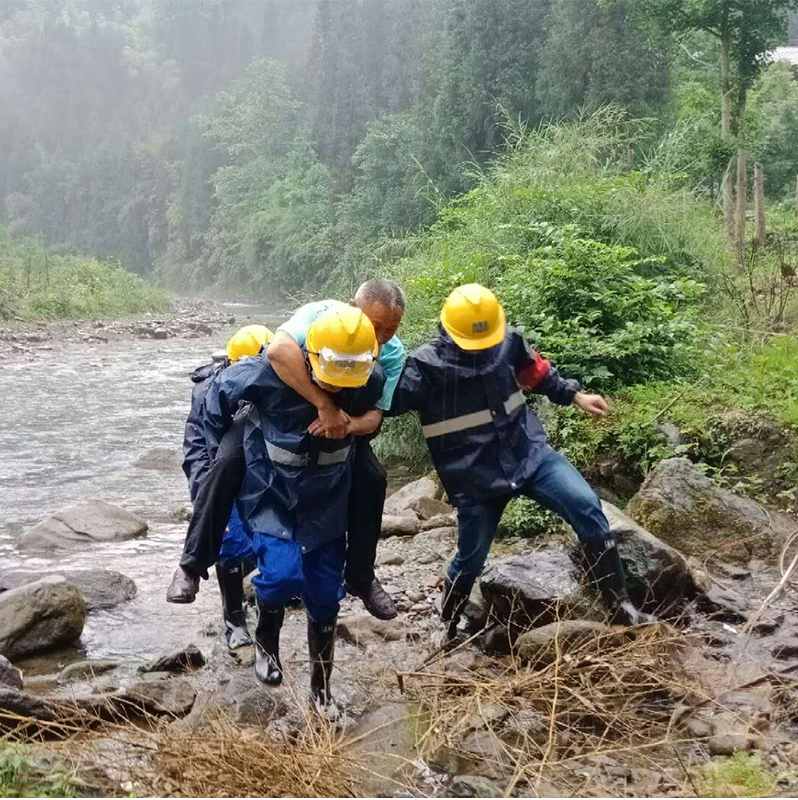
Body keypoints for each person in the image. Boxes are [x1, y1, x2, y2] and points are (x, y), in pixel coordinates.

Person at [388, 284, 652, 641]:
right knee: (470, 559)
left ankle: (621, 607)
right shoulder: (425, 366)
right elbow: (386, 403)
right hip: (475, 478)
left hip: (528, 454)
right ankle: (447, 624)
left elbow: (537, 373)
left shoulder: (507, 341)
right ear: (450, 329)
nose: (483, 348)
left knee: (586, 506)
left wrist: (575, 395)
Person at [166, 278, 406, 621]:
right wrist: (323, 404)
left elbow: (375, 416)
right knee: (226, 463)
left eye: (390, 329)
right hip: (286, 388)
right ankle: (191, 565)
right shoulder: (318, 315)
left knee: (372, 478)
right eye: (375, 326)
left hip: (343, 416)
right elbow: (279, 352)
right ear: (353, 309)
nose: (381, 337)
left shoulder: (392, 354)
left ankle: (361, 577)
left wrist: (346, 424)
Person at [202, 305, 384, 715]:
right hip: (274, 497)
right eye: (329, 381)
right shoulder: (264, 374)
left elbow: (380, 414)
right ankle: (266, 640)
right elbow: (213, 397)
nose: (337, 389)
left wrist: (353, 424)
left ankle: (321, 688)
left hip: (328, 503)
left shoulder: (370, 377)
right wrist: (223, 449)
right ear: (310, 357)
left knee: (324, 597)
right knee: (281, 576)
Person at [179, 324, 273, 650]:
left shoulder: (273, 383)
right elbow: (203, 452)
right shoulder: (210, 394)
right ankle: (233, 619)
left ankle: (266, 585)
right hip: (213, 471)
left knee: (270, 538)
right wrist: (209, 498)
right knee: (230, 541)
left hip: (257, 470)